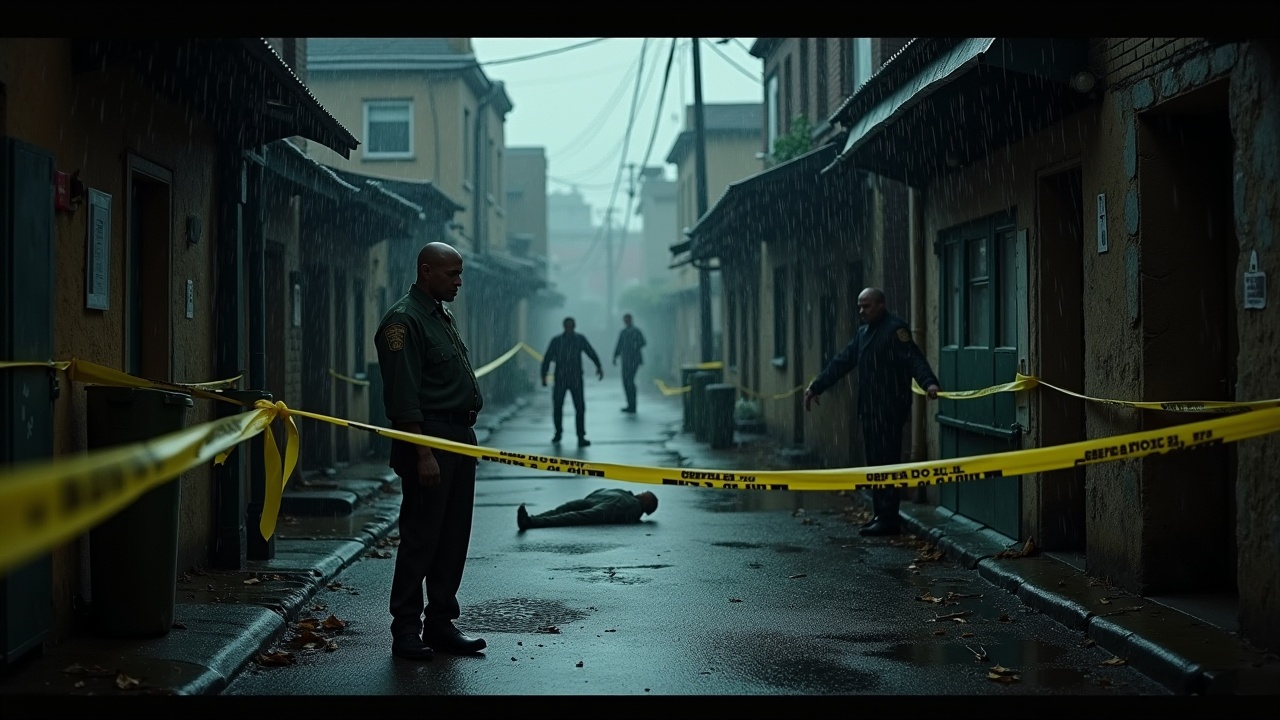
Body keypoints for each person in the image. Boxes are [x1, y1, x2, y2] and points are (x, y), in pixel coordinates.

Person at [374, 242, 487, 661]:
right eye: (451, 274)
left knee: (453, 537)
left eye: (460, 273)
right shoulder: (403, 321)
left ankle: (440, 623)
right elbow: (403, 396)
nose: (459, 282)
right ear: (426, 271)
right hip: (429, 438)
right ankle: (405, 629)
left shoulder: (441, 315)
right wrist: (423, 453)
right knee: (421, 538)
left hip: (458, 436)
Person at [803, 287, 941, 537]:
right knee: (876, 463)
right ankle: (881, 515)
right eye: (859, 306)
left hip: (889, 410)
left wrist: (929, 382)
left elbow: (913, 359)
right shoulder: (864, 333)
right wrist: (817, 386)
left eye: (866, 306)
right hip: (869, 410)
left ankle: (888, 518)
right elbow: (842, 361)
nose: (861, 311)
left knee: (887, 463)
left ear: (880, 305)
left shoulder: (895, 330)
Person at [540, 317, 604, 447]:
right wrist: (544, 375)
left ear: (574, 327)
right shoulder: (557, 341)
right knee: (558, 407)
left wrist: (598, 365)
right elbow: (547, 358)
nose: (570, 329)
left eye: (571, 326)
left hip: (575, 378)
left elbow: (590, 352)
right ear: (564, 327)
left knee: (579, 407)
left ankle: (581, 436)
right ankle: (558, 433)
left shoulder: (579, 339)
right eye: (568, 326)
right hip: (561, 378)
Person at [516, 488, 659, 530]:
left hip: (601, 509)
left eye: (645, 495)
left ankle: (531, 523)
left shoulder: (634, 508)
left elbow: (620, 513)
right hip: (594, 500)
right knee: (564, 509)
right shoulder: (628, 496)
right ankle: (532, 518)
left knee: (569, 516)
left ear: (647, 503)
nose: (641, 493)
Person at [612, 313, 647, 413]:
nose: (627, 321)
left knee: (630, 381)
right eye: (625, 320)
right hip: (626, 360)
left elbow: (643, 342)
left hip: (634, 360)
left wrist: (635, 345)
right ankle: (630, 404)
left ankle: (633, 404)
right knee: (625, 382)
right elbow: (619, 345)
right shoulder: (623, 332)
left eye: (628, 320)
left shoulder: (636, 331)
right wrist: (615, 356)